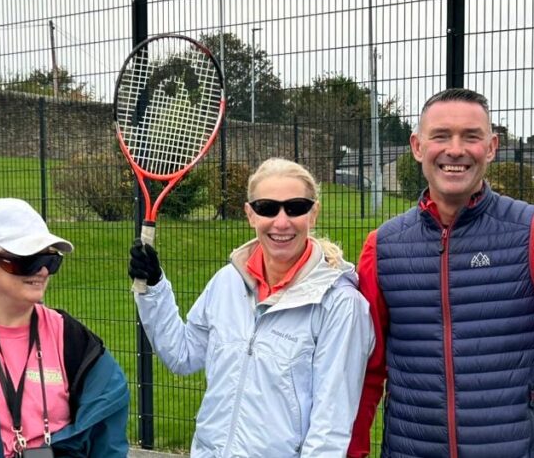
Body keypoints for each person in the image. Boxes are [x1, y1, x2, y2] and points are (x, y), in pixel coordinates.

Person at [346, 88, 534, 458]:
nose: (455, 149)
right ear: (416, 146)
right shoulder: (383, 247)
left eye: (470, 137)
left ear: (491, 147)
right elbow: (366, 372)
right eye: (440, 136)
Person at [128, 157, 375, 456]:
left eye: (295, 207)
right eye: (267, 208)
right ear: (250, 214)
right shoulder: (227, 282)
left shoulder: (340, 304)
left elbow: (330, 428)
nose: (281, 222)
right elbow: (182, 355)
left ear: (313, 214)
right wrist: (154, 287)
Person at [0, 198, 130, 458]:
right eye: (27, 260)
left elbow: (108, 431)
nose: (43, 271)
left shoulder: (71, 338)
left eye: (50, 260)